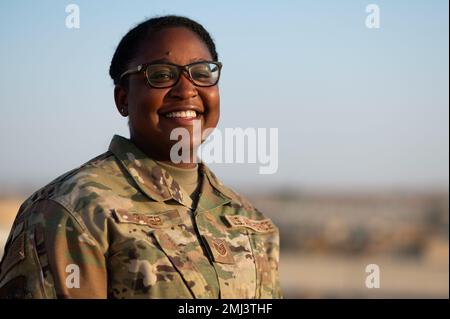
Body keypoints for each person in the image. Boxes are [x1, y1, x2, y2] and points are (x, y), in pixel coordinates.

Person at [0, 15, 282, 299]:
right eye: (160, 75)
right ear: (123, 99)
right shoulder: (72, 211)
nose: (186, 90)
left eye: (201, 73)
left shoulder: (249, 221)